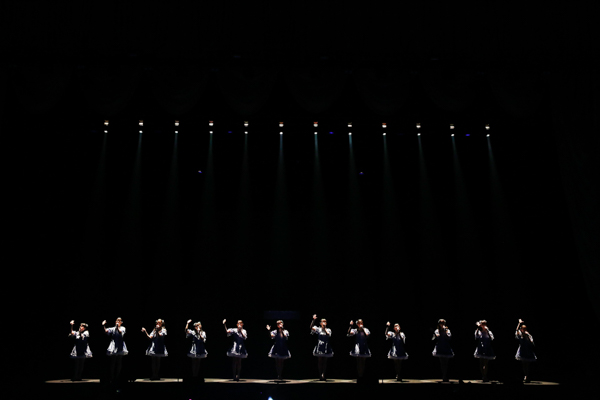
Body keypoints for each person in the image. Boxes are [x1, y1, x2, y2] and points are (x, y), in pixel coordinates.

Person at [102, 317, 128, 384]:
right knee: (113, 361)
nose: (118, 322)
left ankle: (117, 376)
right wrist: (103, 325)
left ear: (121, 322)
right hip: (113, 345)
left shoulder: (123, 328)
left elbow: (121, 333)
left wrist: (117, 327)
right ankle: (112, 376)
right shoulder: (112, 328)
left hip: (120, 345)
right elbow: (106, 331)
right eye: (117, 320)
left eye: (119, 321)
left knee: (119, 361)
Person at [310, 314, 333, 381]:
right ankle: (320, 374)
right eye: (322, 322)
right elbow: (311, 327)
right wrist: (313, 320)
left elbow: (328, 335)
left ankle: (323, 374)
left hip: (326, 346)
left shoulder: (328, 329)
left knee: (325, 361)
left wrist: (324, 328)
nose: (323, 323)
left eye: (325, 322)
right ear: (320, 323)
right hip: (320, 346)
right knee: (320, 361)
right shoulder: (318, 329)